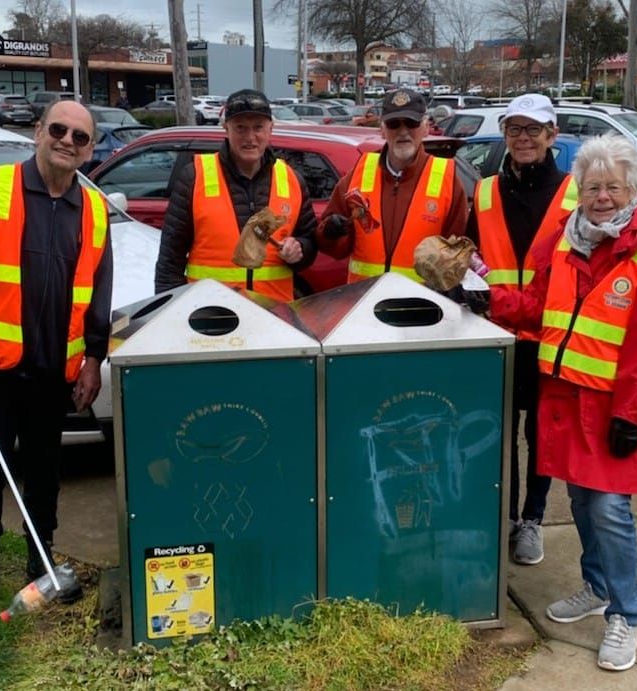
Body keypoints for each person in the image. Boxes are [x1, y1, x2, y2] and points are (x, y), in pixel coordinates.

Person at [489, 134, 637, 671]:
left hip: (616, 406)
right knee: (581, 501)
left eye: (614, 187)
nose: (602, 197)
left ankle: (626, 614)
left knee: (608, 508)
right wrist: (488, 298)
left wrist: (630, 413)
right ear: (580, 190)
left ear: (633, 190)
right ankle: (598, 587)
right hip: (567, 397)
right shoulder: (566, 239)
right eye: (593, 186)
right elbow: (537, 307)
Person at [0, 100, 112, 613]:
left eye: (80, 137)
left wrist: (93, 358)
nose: (67, 142)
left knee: (45, 468)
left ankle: (40, 554)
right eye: (59, 130)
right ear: (38, 132)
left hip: (53, 370)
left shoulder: (93, 210)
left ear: (89, 150)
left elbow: (98, 290)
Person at [467, 93, 579, 565]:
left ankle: (532, 520)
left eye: (533, 129)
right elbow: (470, 252)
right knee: (498, 433)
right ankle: (505, 517)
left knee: (540, 436)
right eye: (514, 129)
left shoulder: (574, 194)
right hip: (495, 334)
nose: (523, 138)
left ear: (552, 135)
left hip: (549, 336)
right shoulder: (485, 191)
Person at [154, 88, 317, 301]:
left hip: (274, 311)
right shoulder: (194, 177)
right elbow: (169, 261)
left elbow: (310, 241)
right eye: (240, 128)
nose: (250, 137)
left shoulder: (291, 179)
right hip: (212, 311)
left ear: (271, 129)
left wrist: (300, 250)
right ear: (226, 129)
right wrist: (170, 310)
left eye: (258, 127)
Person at [317, 88, 468, 283]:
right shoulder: (358, 175)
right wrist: (330, 232)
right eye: (394, 124)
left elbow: (459, 253)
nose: (403, 131)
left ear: (426, 127)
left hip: (419, 299)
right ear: (382, 129)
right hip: (367, 297)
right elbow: (332, 246)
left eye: (411, 123)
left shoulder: (447, 178)